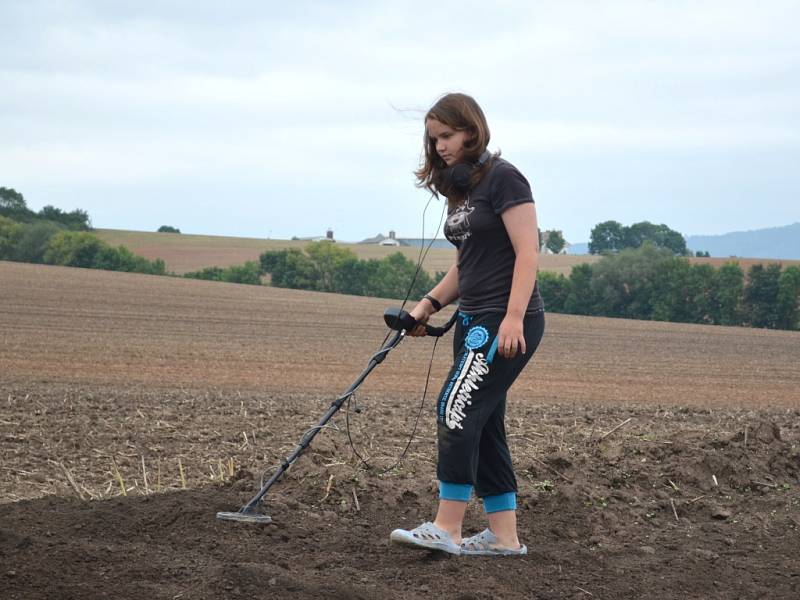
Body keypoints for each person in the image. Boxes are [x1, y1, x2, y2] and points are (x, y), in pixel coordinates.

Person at [389, 93, 545, 557]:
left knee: (454, 408)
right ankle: (503, 537)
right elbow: (466, 264)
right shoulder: (463, 190)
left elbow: (528, 252)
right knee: (484, 422)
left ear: (471, 131)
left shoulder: (504, 179)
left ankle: (448, 528)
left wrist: (514, 317)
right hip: (473, 319)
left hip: (504, 321)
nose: (439, 146)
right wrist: (426, 306)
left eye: (447, 136)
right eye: (433, 138)